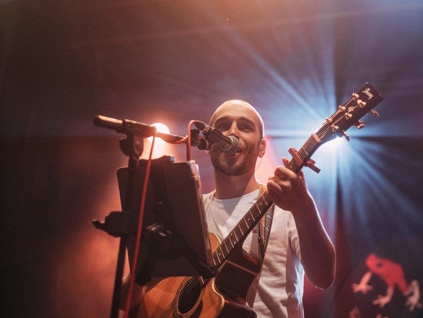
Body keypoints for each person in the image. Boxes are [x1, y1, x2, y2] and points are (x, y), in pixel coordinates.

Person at [121, 99, 336, 318]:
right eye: (222, 127)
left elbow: (324, 277)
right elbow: (126, 299)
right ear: (207, 144)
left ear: (262, 148)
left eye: (244, 127)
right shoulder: (187, 214)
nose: (232, 133)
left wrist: (305, 208)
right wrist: (143, 268)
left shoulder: (287, 206)